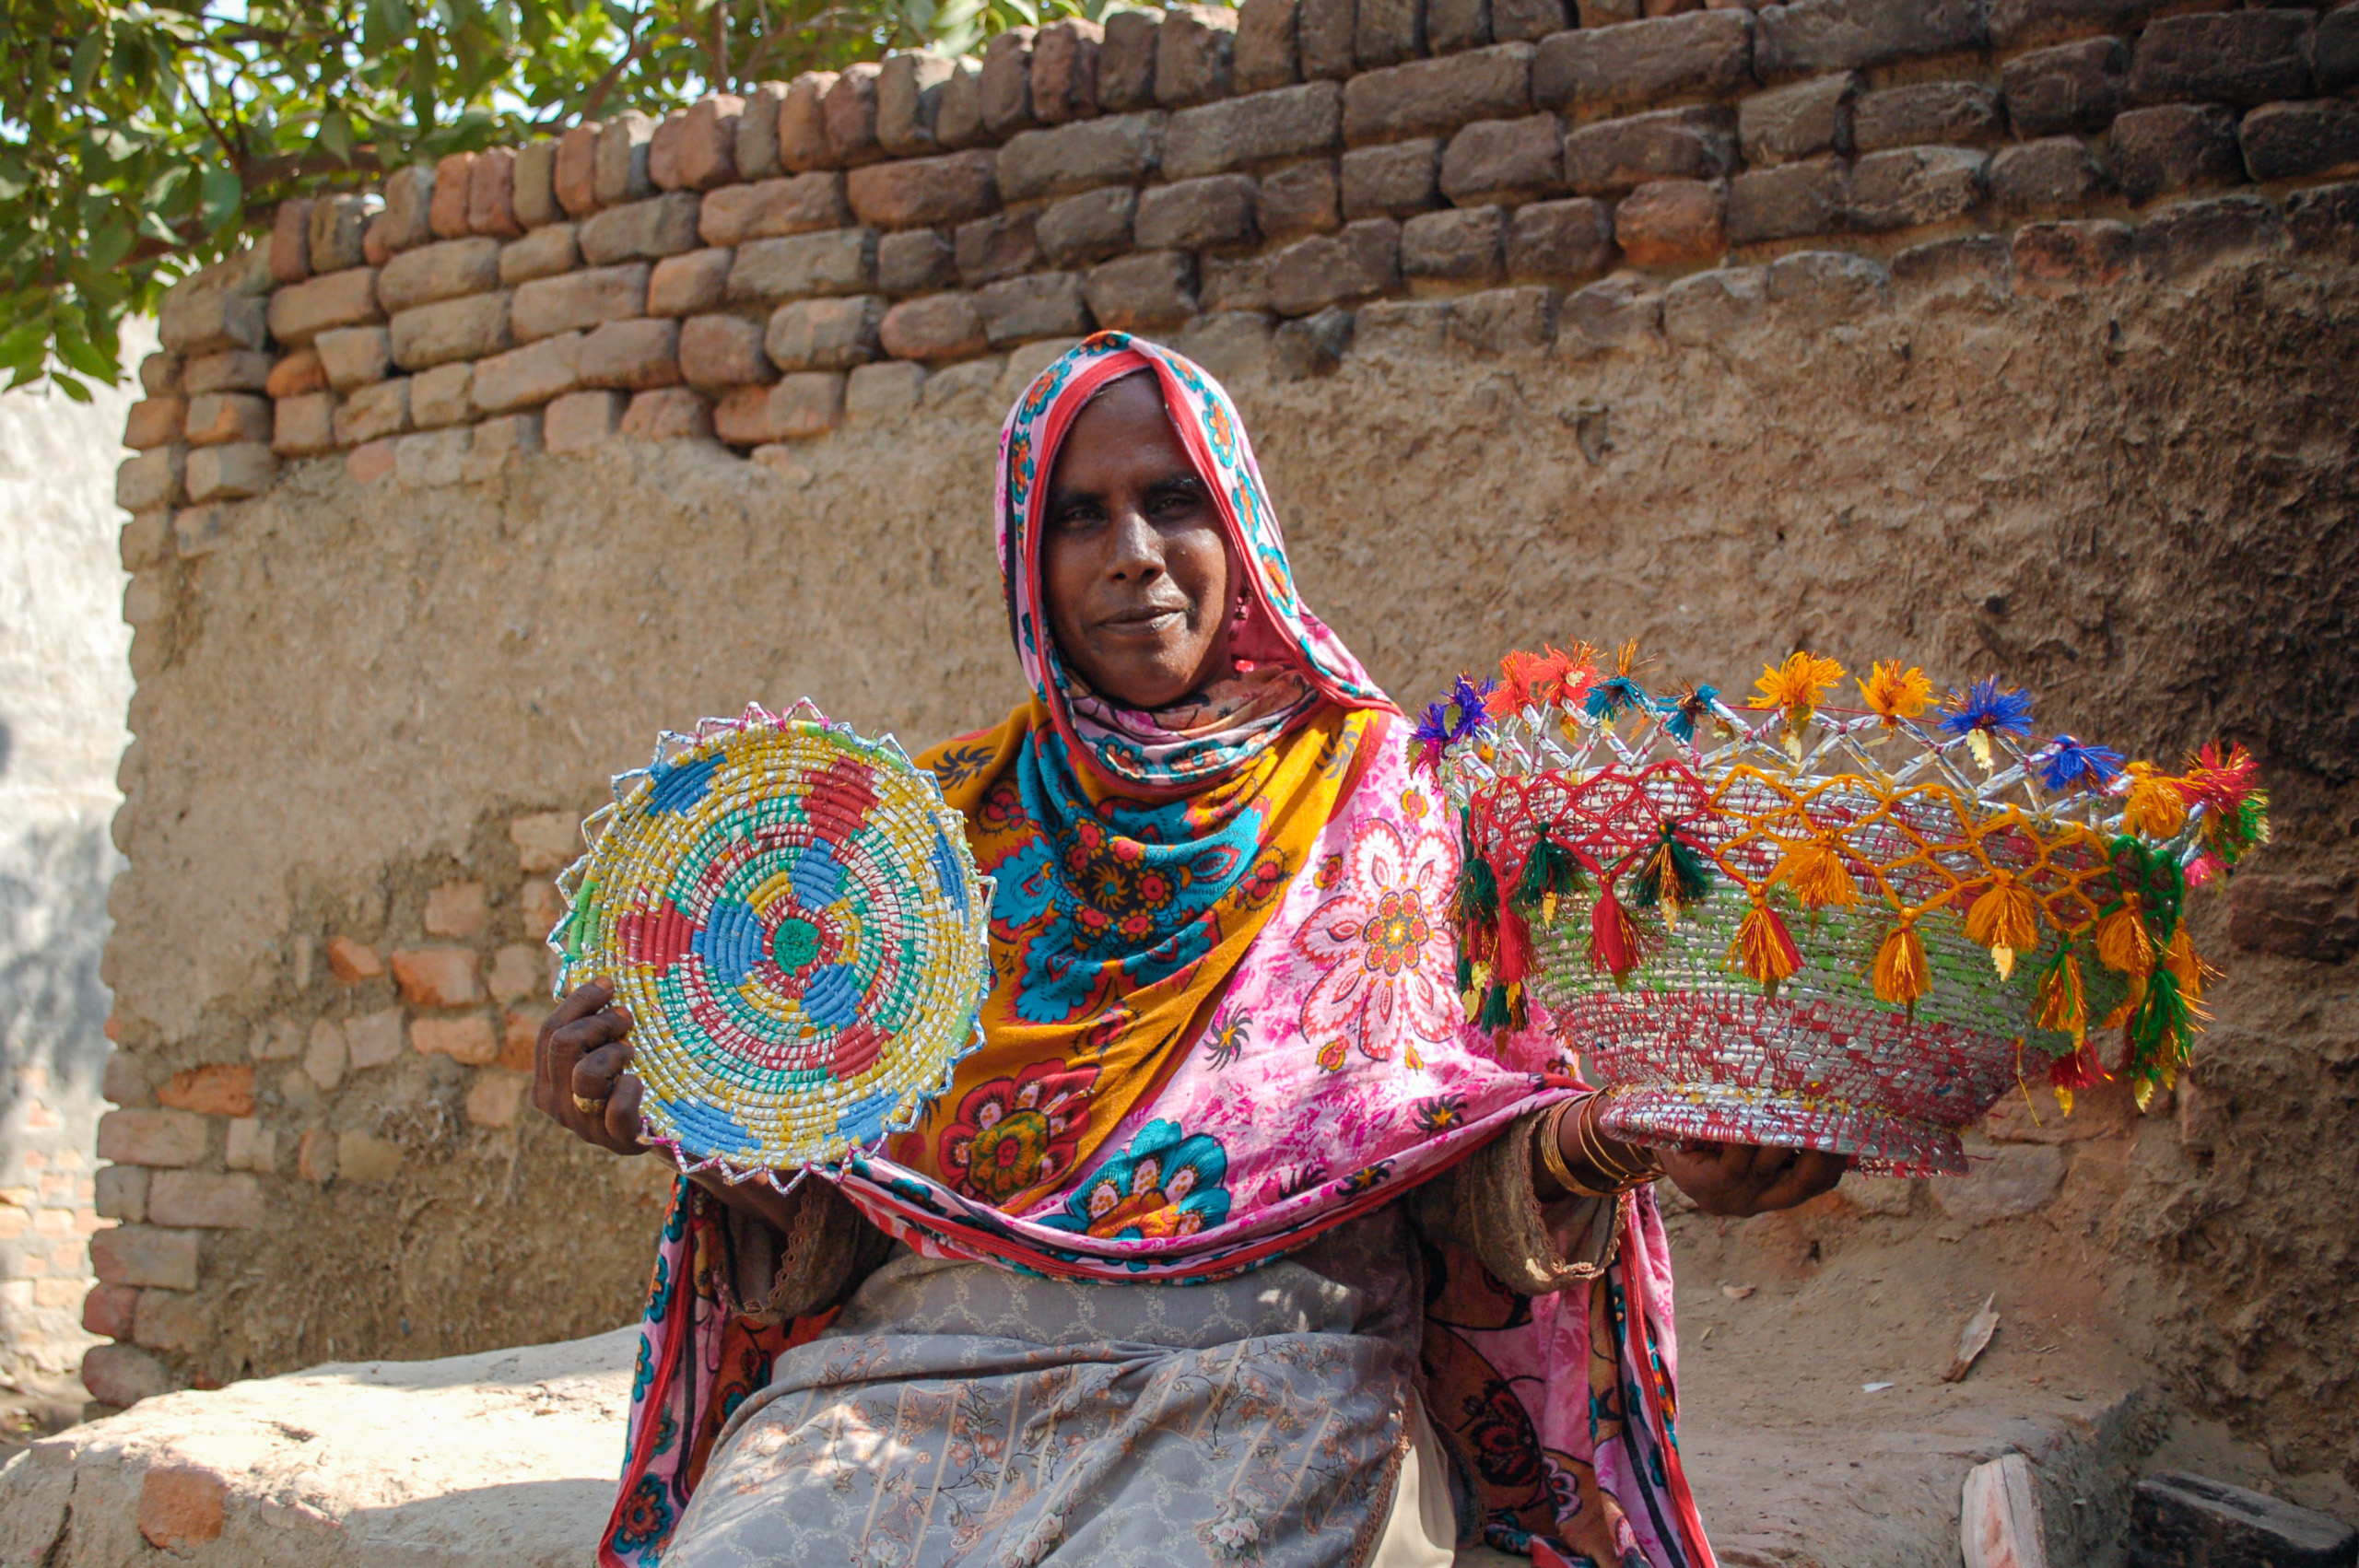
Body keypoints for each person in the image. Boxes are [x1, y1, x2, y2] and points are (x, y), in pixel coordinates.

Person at [537, 334, 1844, 1568]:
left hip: (1264, 1368)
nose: (1134, 555)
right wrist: (693, 1115)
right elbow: (852, 1213)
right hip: (911, 1371)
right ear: (1023, 557)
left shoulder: (1384, 800)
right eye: (1079, 515)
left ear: (1246, 529)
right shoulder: (929, 849)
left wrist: (1632, 1138)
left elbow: (1450, 1148)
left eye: (1176, 501)